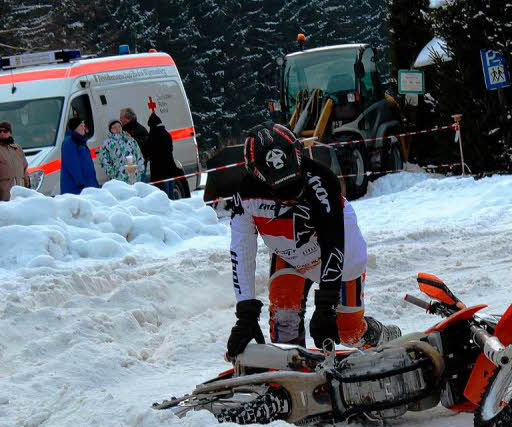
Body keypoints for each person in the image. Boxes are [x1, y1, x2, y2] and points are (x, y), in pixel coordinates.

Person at [226, 122, 400, 360]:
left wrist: (326, 303)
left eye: (293, 184)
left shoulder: (322, 180)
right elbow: (241, 252)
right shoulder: (244, 196)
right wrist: (245, 313)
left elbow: (335, 244)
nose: (290, 197)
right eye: (280, 190)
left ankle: (383, 336)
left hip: (340, 252)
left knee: (347, 333)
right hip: (290, 254)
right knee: (284, 330)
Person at [146, 112, 184, 198]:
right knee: (171, 194)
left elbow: (149, 152)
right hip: (170, 169)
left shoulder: (153, 136)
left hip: (159, 172)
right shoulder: (167, 134)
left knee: (164, 196)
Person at [0, 120, 28, 201]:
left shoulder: (17, 148)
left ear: (10, 133)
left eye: (5, 131)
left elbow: (25, 168)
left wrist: (27, 184)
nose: (2, 133)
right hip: (4, 193)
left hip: (20, 191)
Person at [59, 116, 100, 194]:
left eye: (83, 125)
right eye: (81, 125)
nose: (84, 128)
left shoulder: (80, 141)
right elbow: (72, 164)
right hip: (77, 187)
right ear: (75, 128)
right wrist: (80, 181)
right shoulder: (69, 142)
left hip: (87, 183)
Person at [98, 119, 145, 184]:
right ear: (110, 130)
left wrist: (140, 168)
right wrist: (112, 173)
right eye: (114, 127)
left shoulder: (130, 139)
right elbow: (104, 160)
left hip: (134, 175)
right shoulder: (107, 143)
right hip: (119, 177)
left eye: (119, 126)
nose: (117, 129)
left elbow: (138, 154)